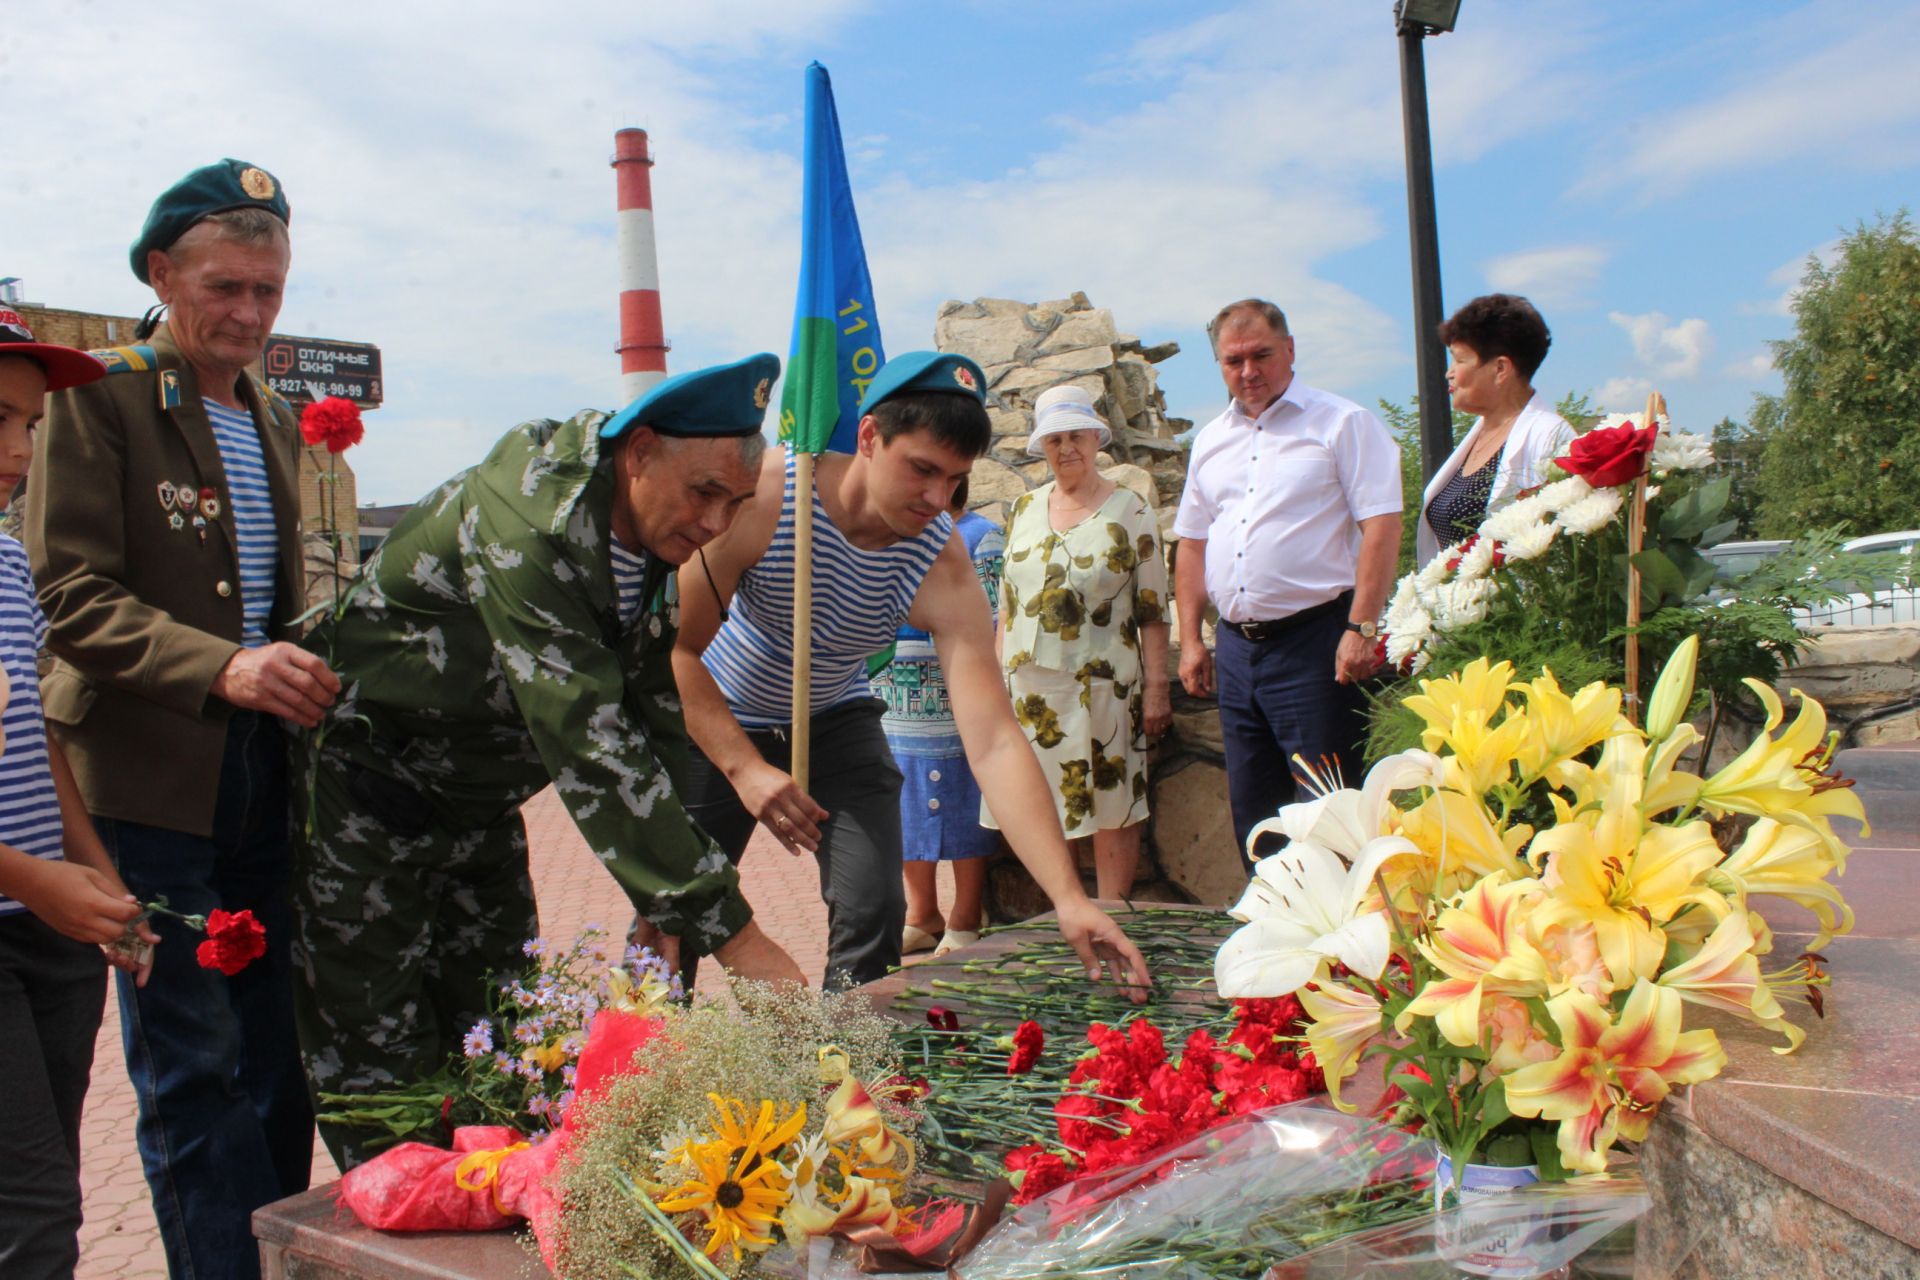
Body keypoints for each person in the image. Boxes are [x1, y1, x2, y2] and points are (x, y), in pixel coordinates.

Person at [293, 354, 804, 1169]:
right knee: (379, 1067)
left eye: (736, 504)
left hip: (480, 808)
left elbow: (654, 709)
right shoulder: (530, 519)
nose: (716, 525)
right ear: (638, 452)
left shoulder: (648, 538)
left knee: (506, 1048)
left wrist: (666, 901)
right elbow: (589, 741)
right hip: (372, 799)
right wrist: (738, 939)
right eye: (704, 492)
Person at [27, 159, 334, 1279]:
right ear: (162, 273)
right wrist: (229, 667)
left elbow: (272, 598)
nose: (249, 314)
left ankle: (270, 1256)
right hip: (147, 780)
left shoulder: (273, 414)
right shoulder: (96, 395)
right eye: (224, 287)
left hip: (261, 770)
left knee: (272, 1046)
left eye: (269, 290)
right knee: (190, 1058)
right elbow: (70, 597)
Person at [672, 350, 1151, 995]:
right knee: (674, 916)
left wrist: (1068, 896)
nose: (937, 499)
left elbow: (993, 739)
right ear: (869, 436)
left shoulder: (938, 556)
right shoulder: (768, 495)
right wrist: (745, 767)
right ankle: (645, 1066)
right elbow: (674, 653)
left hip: (838, 714)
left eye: (955, 480)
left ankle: (854, 1072)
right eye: (922, 469)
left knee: (875, 909)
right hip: (722, 712)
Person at [0, 315, 160, 1279]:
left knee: (44, 1177)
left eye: (28, 425)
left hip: (43, 925)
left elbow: (38, 741)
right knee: (32, 1212)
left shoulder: (10, 565)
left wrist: (95, 878)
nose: (18, 451)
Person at [1173, 300, 1402, 869]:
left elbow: (1382, 526)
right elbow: (1193, 543)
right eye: (1233, 360)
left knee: (1329, 810)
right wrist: (1193, 640)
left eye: (1261, 355)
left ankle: (1339, 949)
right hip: (1235, 648)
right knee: (1255, 811)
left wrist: (1362, 627)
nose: (1248, 371)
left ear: (1290, 350)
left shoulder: (1342, 423)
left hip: (1317, 643)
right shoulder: (1210, 441)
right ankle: (1272, 938)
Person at [992, 385, 1171, 899]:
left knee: (1114, 805)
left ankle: (1112, 914)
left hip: (1105, 688)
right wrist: (995, 682)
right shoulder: (1022, 509)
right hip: (1031, 692)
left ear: (1096, 438)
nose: (1066, 447)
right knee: (1043, 806)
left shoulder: (1131, 510)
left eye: (1075, 435)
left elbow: (1154, 612)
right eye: (1054, 438)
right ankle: (1067, 914)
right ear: (1041, 447)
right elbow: (1006, 606)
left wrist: (1158, 688)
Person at [870, 476, 1002, 958]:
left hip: (954, 696)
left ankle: (966, 915)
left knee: (962, 802)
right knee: (904, 806)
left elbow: (989, 615)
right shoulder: (897, 531)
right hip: (891, 696)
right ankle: (922, 914)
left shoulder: (981, 535)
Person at [1416, 293, 1577, 564]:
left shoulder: (1551, 437)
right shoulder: (1476, 437)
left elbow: (1566, 550)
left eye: (1459, 360)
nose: (1449, 373)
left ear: (1500, 368)